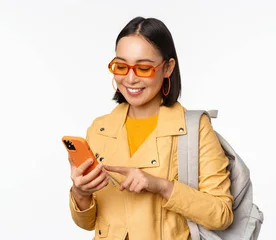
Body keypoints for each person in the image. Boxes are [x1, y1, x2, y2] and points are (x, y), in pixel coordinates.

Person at [68, 16, 234, 240]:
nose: (130, 78)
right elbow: (88, 223)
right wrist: (80, 193)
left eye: (143, 68)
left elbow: (222, 215)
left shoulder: (194, 128)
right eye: (121, 66)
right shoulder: (99, 129)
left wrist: (162, 186)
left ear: (168, 68)